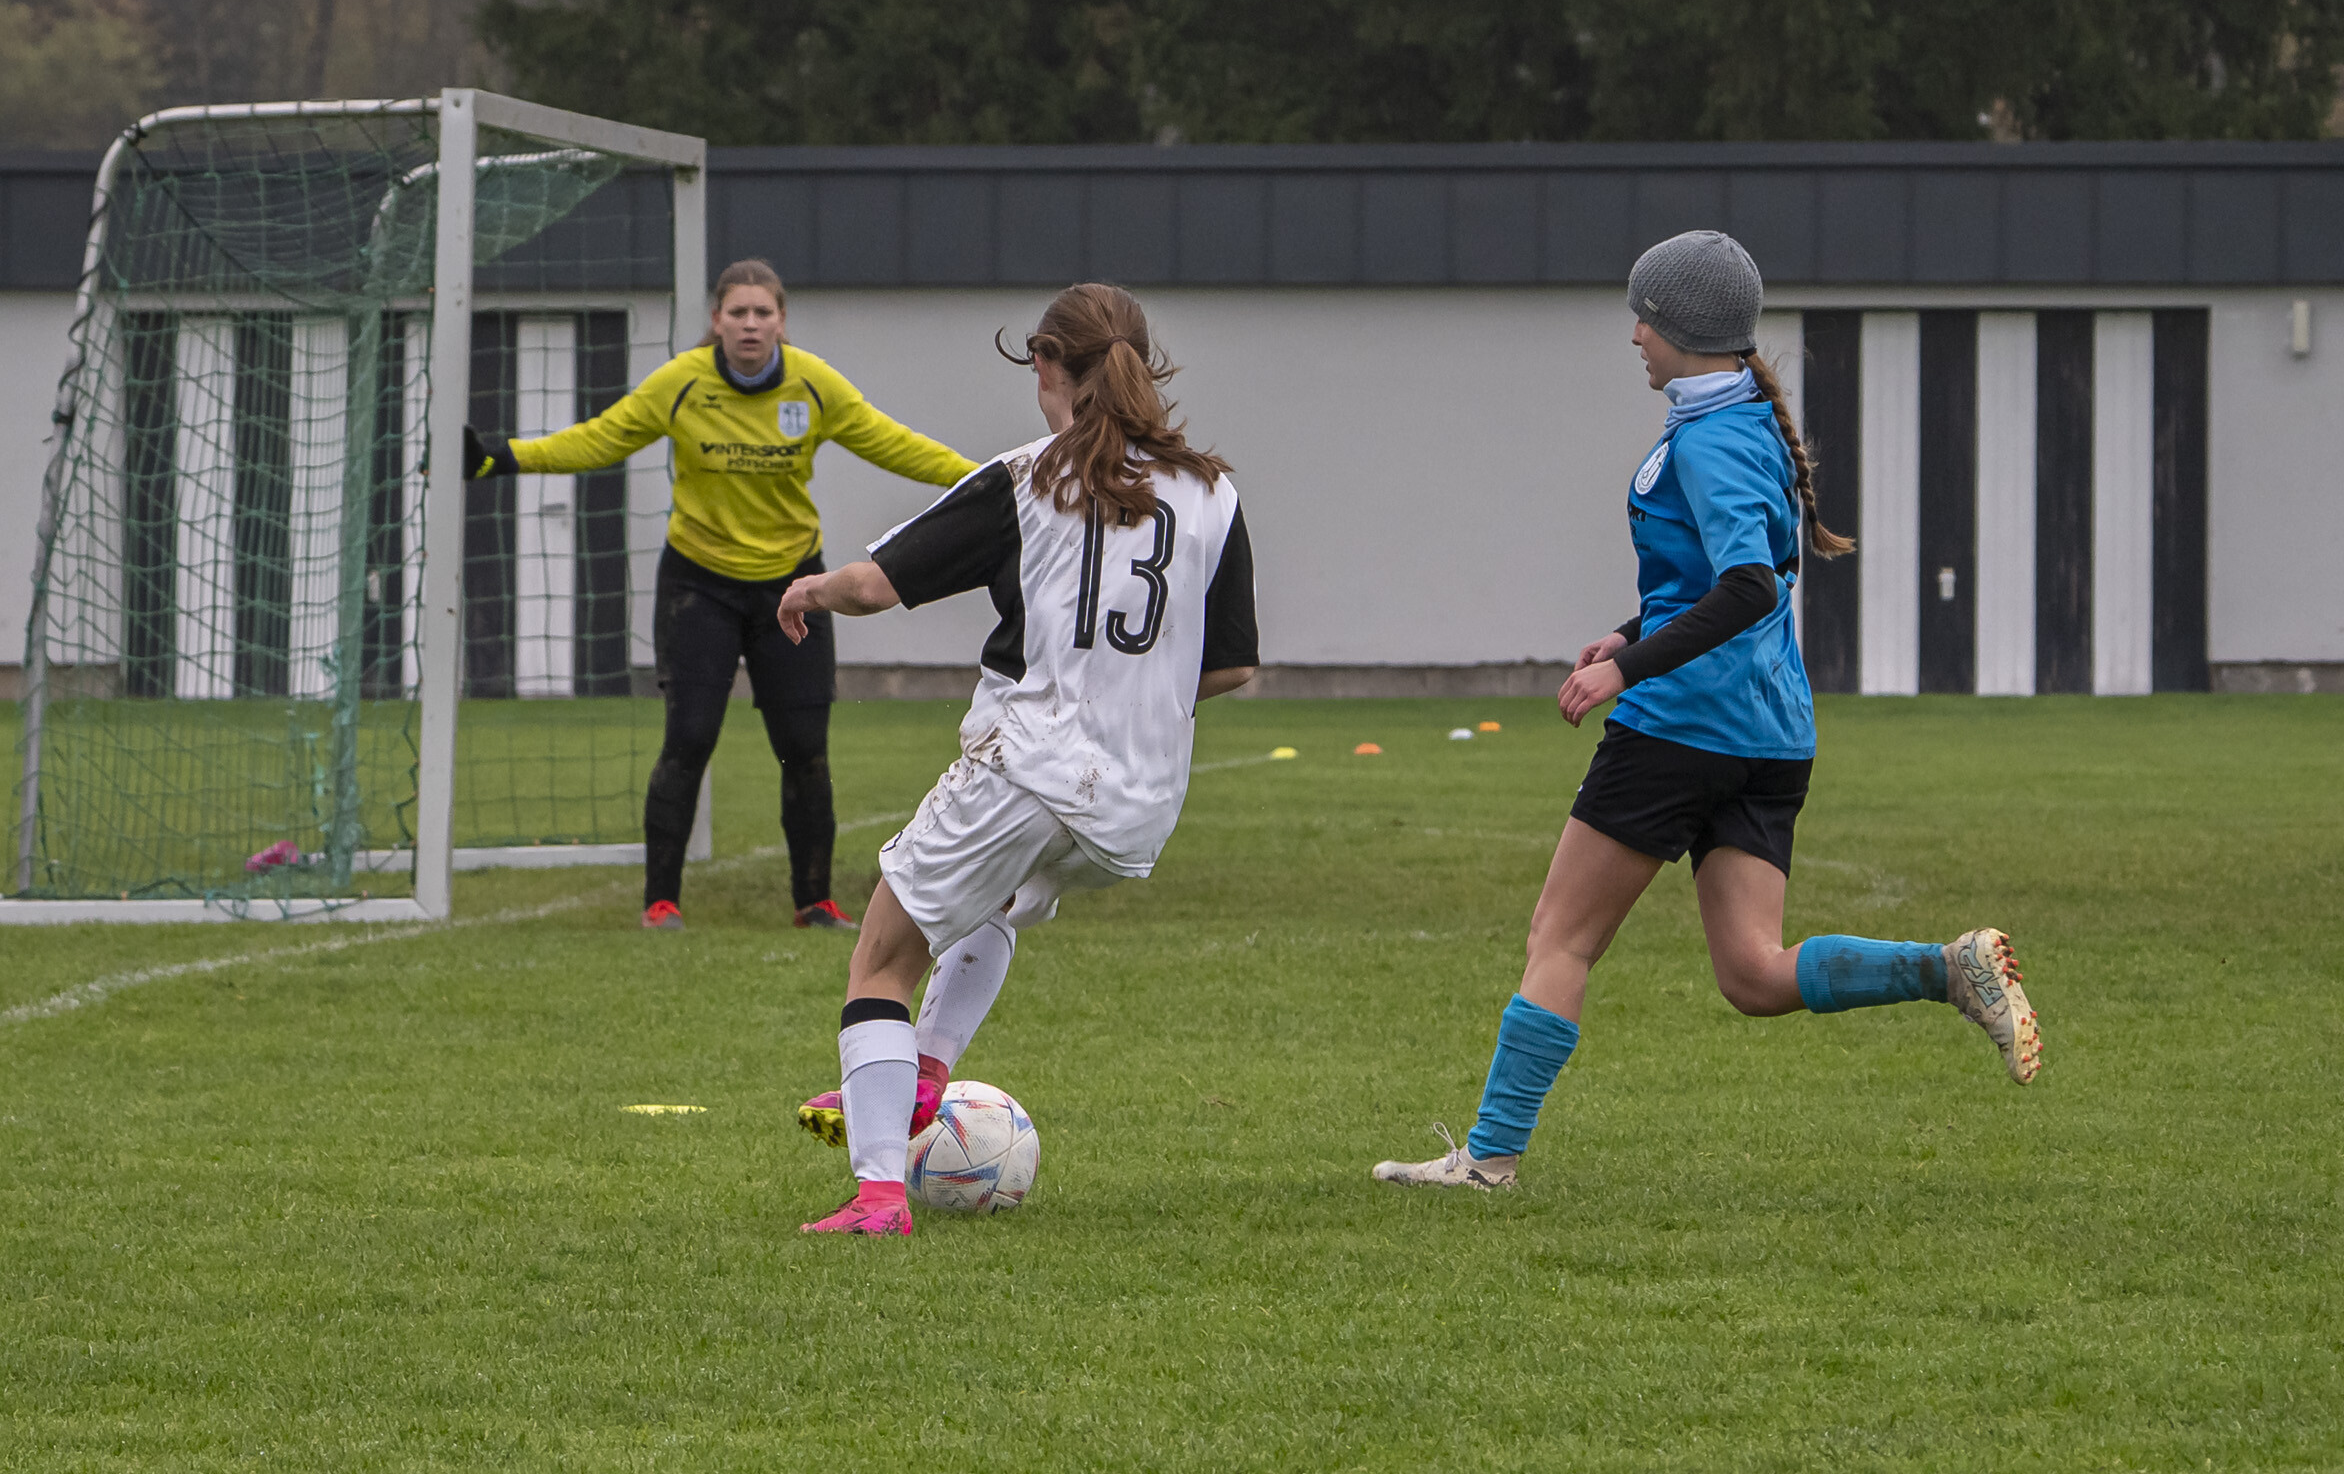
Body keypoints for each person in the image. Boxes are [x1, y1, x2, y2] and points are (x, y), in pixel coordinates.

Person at [1374, 230, 2041, 1193]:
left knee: (1560, 940)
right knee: (1754, 975)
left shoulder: (1711, 438)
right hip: (1770, 735)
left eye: (1644, 319)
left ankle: (1488, 1161)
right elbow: (1722, 579)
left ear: (1682, 327)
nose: (1634, 336)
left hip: (1682, 730)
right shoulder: (1745, 422)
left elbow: (1747, 589)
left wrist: (1629, 669)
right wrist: (1627, 629)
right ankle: (1948, 968)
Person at [776, 283, 1259, 1237]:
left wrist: (809, 591)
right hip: (1137, 807)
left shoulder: (1029, 478)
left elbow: (877, 586)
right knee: (993, 900)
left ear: (1046, 364)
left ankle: (878, 1195)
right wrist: (1139, 694)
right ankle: (924, 1073)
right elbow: (1234, 663)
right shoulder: (1213, 492)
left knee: (881, 959)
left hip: (1026, 767)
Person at [464, 260, 978, 931]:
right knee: (688, 740)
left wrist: (993, 481)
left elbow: (896, 446)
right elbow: (600, 439)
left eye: (763, 313)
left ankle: (815, 902)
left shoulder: (814, 385)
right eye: (738, 313)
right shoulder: (680, 383)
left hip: (793, 587)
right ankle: (661, 903)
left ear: (781, 322)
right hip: (698, 586)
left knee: (804, 748)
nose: (750, 324)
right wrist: (501, 457)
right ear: (717, 321)